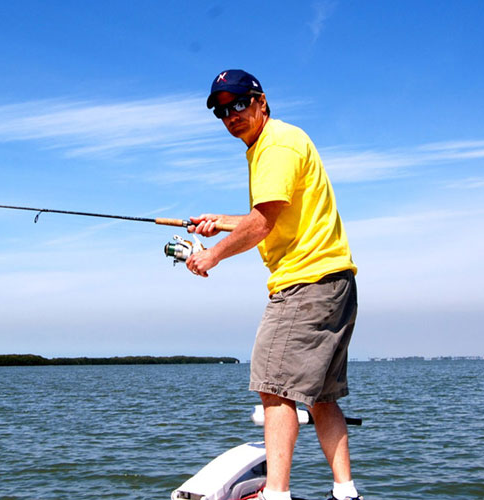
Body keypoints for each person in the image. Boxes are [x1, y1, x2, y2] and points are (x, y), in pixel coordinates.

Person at [186, 69, 362, 500]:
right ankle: (346, 493)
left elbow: (262, 224)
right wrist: (222, 222)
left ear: (261, 101)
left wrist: (211, 255)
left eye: (239, 104)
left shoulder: (275, 145)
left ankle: (276, 494)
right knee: (321, 396)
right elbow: (275, 213)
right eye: (222, 111)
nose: (232, 115)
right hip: (334, 281)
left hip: (304, 285)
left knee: (273, 387)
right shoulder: (280, 141)